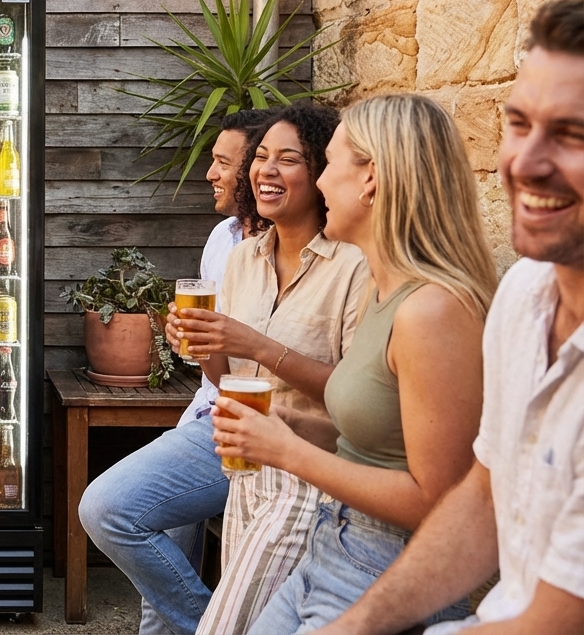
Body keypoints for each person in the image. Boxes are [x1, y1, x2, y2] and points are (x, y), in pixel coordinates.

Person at [313, 0, 584, 635]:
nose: (525, 162)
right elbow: (482, 497)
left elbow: (553, 621)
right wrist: (356, 625)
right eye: (518, 124)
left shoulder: (436, 308)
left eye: (573, 135)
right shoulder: (524, 296)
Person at [212, 94, 497, 632]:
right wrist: (292, 423)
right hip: (334, 544)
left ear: (371, 180)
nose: (318, 183)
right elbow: (378, 439)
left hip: (385, 567)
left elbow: (442, 504)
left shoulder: (432, 312)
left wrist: (287, 450)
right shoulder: (383, 291)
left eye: (331, 164)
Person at [169, 105, 369, 635]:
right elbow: (221, 375)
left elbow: (355, 398)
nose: (266, 170)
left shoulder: (353, 264)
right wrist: (197, 343)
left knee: (223, 626)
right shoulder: (242, 259)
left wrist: (255, 343)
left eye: (288, 159)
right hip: (245, 469)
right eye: (260, 158)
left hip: (309, 473)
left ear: (320, 173)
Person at [77, 107, 275, 634]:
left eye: (222, 162)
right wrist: (188, 339)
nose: (210, 173)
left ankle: (214, 628)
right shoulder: (223, 239)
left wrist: (223, 345)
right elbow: (215, 367)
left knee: (117, 515)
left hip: (253, 427)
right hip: (206, 410)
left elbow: (259, 363)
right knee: (156, 567)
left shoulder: (295, 254)